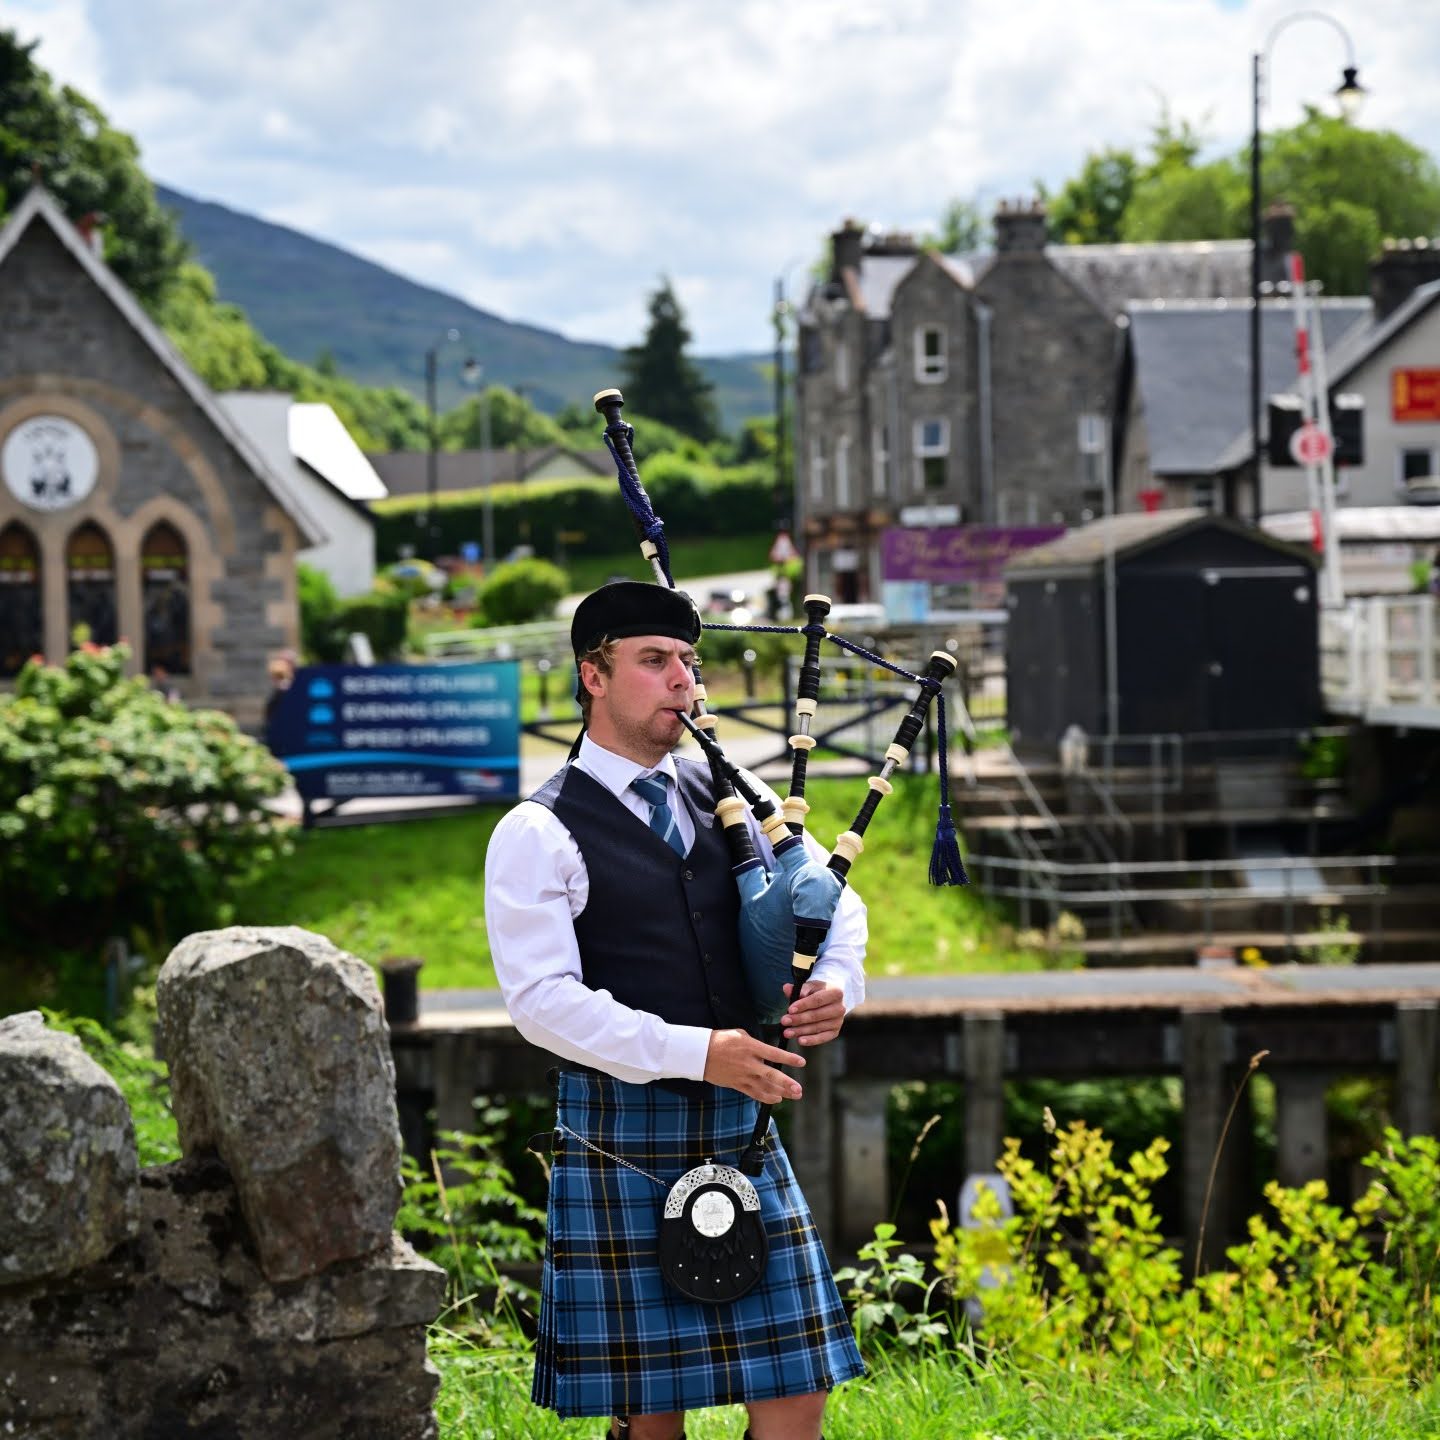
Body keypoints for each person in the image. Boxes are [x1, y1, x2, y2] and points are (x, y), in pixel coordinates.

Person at [485, 580, 866, 1440]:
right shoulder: (538, 831)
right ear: (593, 675)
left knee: (797, 1389)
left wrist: (840, 981)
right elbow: (541, 1004)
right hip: (621, 1132)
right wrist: (700, 1051)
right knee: (652, 1416)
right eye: (654, 662)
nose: (682, 683)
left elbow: (834, 903)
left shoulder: (734, 794)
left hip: (739, 1126)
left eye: (688, 663)